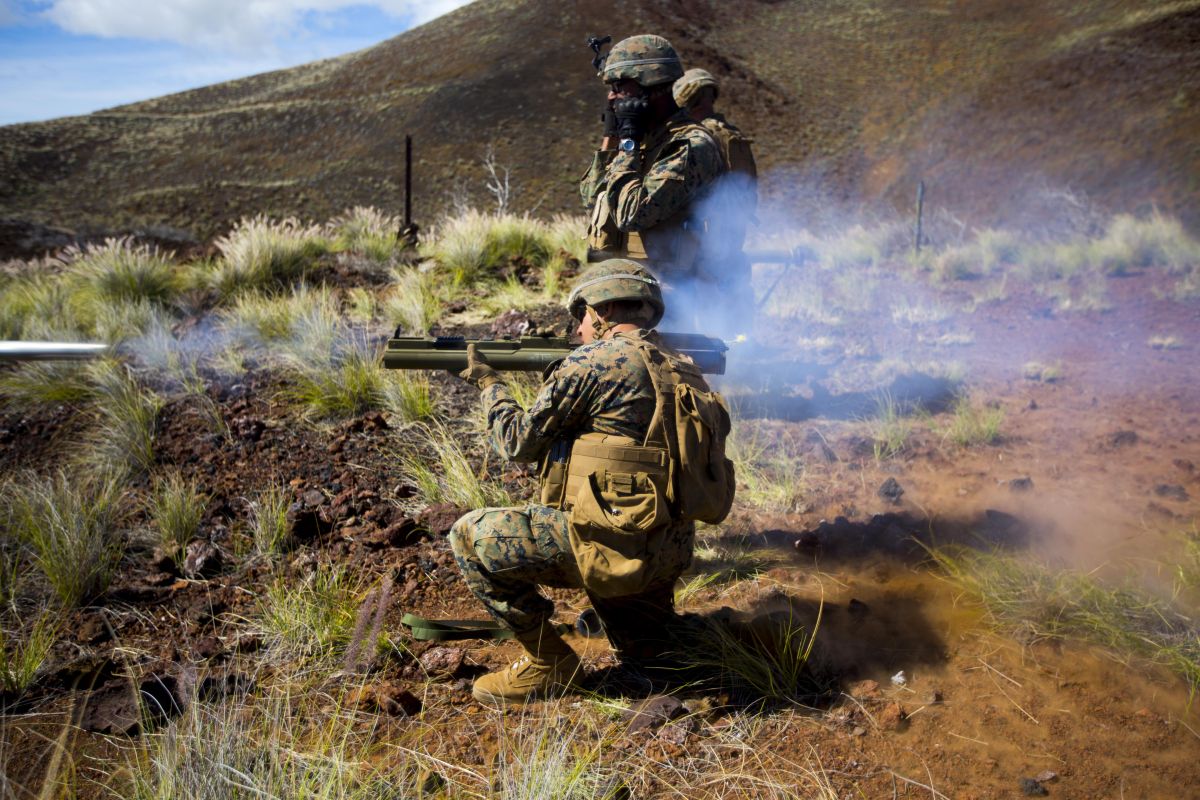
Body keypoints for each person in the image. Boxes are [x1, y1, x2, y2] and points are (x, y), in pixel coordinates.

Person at [448, 260, 720, 703]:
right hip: (664, 553)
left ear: (602, 310)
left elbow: (516, 442)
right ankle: (680, 631)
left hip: (612, 547)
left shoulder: (595, 361)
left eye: (581, 317)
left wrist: (488, 384)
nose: (577, 330)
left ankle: (547, 662)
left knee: (468, 537)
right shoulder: (684, 367)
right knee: (648, 657)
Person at [580, 34, 724, 331]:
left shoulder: (689, 146)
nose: (612, 97)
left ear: (652, 86)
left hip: (668, 304)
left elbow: (632, 214)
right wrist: (613, 138)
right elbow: (593, 199)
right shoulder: (643, 143)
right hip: (627, 295)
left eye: (620, 87)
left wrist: (629, 143)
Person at [673, 68, 759, 338]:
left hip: (705, 231)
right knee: (730, 284)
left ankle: (707, 355)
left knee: (698, 292)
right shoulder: (731, 135)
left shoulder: (698, 138)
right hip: (732, 228)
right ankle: (739, 347)